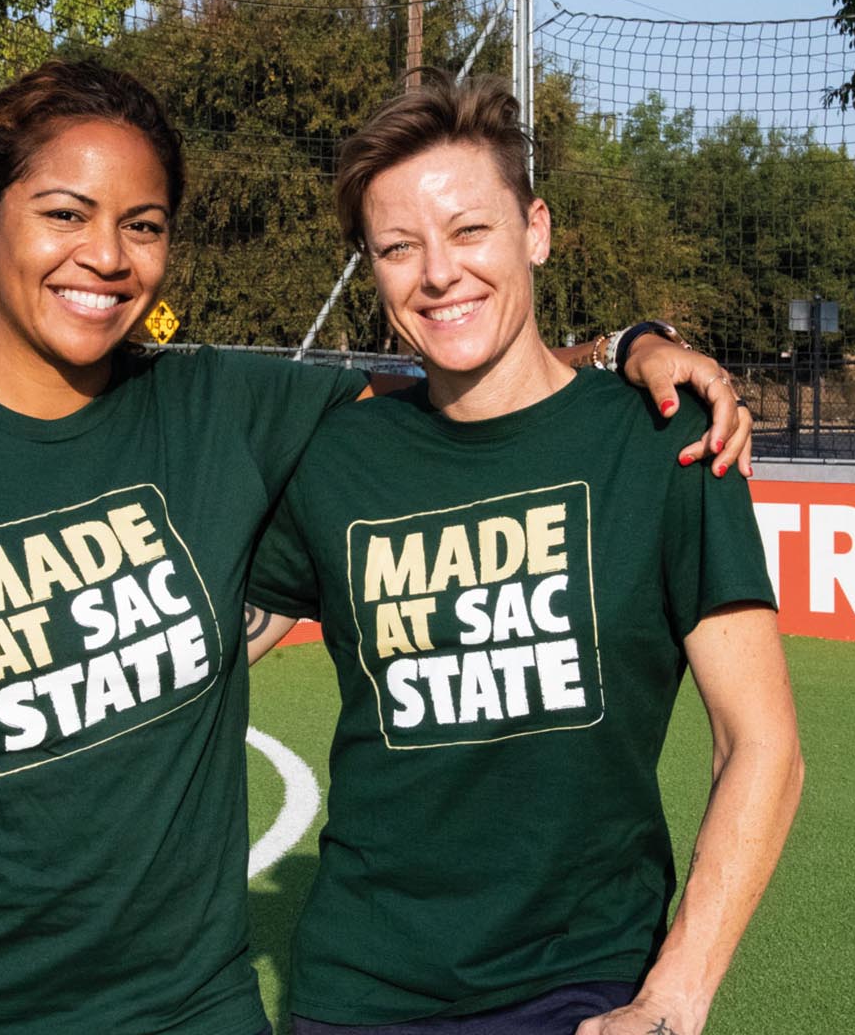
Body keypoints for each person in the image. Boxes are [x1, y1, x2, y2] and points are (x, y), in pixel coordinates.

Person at [0, 60, 753, 1035]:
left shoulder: (225, 408)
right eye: (65, 214)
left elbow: (466, 360)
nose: (105, 257)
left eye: (144, 224)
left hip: (186, 1005)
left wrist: (629, 347)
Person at [236, 73, 804, 1035]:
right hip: (355, 990)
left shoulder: (667, 440)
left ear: (535, 230)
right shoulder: (336, 455)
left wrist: (673, 999)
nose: (439, 274)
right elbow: (178, 659)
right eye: (398, 248)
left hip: (582, 985)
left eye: (470, 231)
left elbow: (763, 745)